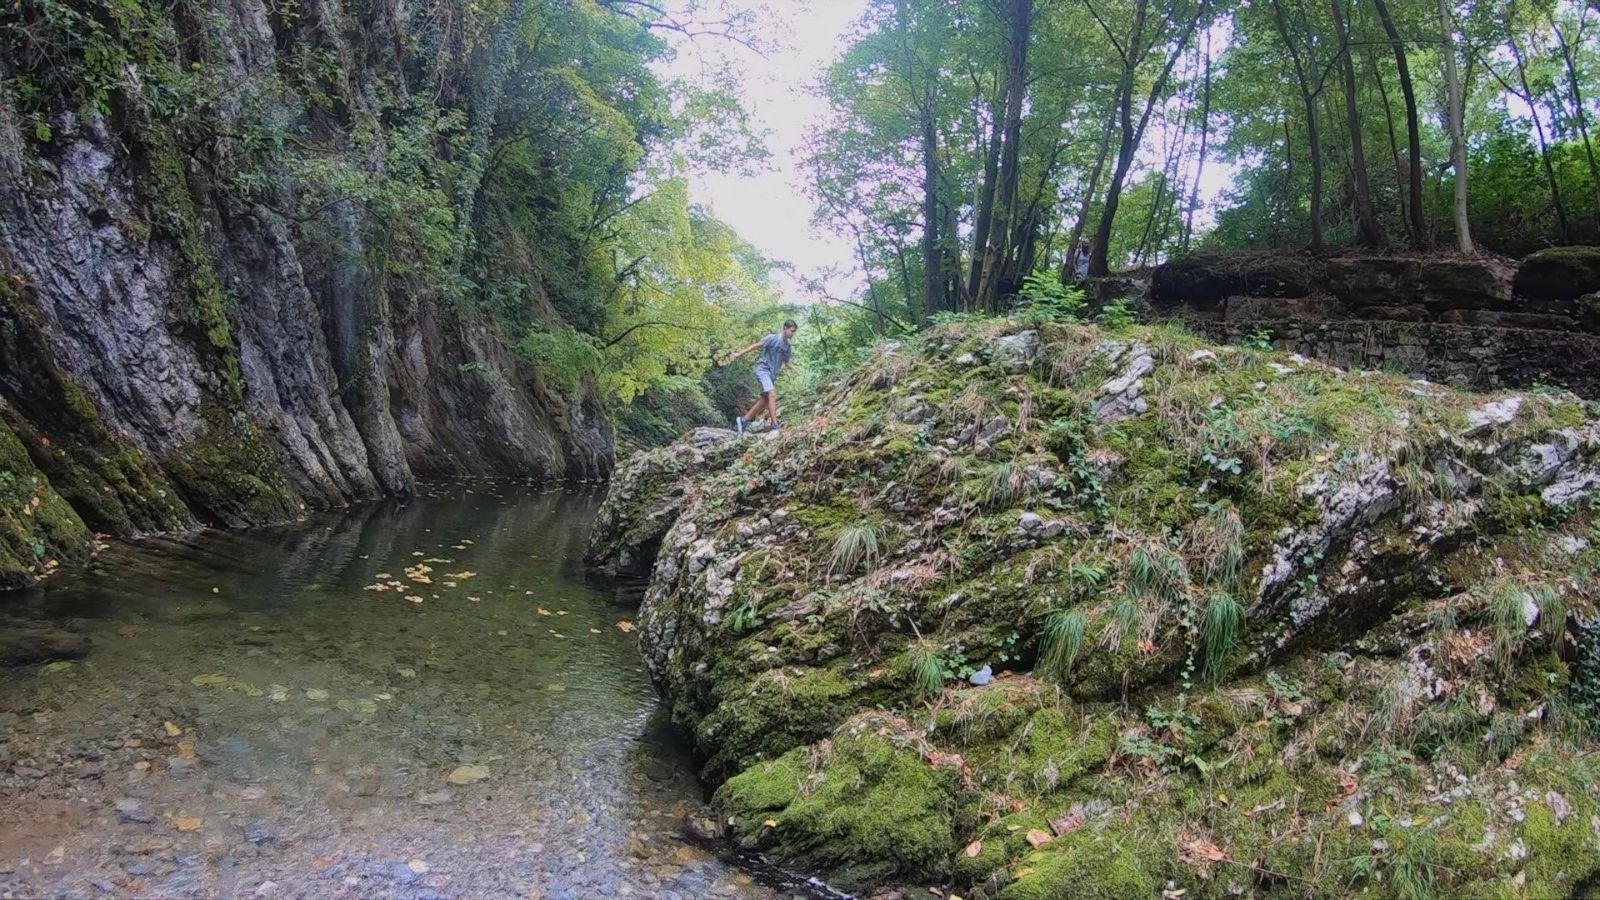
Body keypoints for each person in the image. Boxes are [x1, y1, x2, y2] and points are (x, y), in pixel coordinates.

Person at [729, 320, 797, 434]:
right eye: (792, 331)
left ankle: (743, 420)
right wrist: (739, 354)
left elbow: (787, 362)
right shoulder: (772, 338)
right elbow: (756, 345)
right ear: (785, 328)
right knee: (772, 394)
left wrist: (796, 371)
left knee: (765, 400)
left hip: (771, 375)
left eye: (794, 332)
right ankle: (775, 424)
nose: (793, 333)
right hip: (763, 370)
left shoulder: (787, 346)